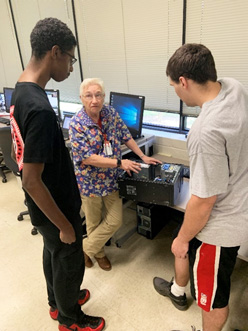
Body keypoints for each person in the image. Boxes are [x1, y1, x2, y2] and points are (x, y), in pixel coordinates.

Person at [10, 18, 105, 331]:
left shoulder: (20, 92)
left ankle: (58, 302)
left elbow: (17, 154)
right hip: (55, 207)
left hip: (41, 208)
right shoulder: (38, 108)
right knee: (68, 257)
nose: (70, 67)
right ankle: (70, 319)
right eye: (70, 58)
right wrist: (65, 225)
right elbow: (31, 180)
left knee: (53, 253)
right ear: (55, 52)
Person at [153, 43, 248, 331]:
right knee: (204, 276)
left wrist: (181, 239)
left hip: (220, 227)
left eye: (173, 86)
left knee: (211, 298)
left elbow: (204, 201)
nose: (176, 93)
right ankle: (178, 290)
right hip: (239, 200)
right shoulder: (234, 87)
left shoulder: (205, 131)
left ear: (184, 81)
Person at [69, 78, 161, 271]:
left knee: (115, 220)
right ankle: (99, 254)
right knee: (93, 222)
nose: (94, 100)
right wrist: (120, 163)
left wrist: (142, 156)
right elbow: (88, 158)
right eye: (89, 95)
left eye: (98, 95)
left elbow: (125, 135)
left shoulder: (110, 112)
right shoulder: (77, 124)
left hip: (110, 180)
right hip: (89, 182)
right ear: (81, 98)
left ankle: (85, 249)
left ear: (103, 96)